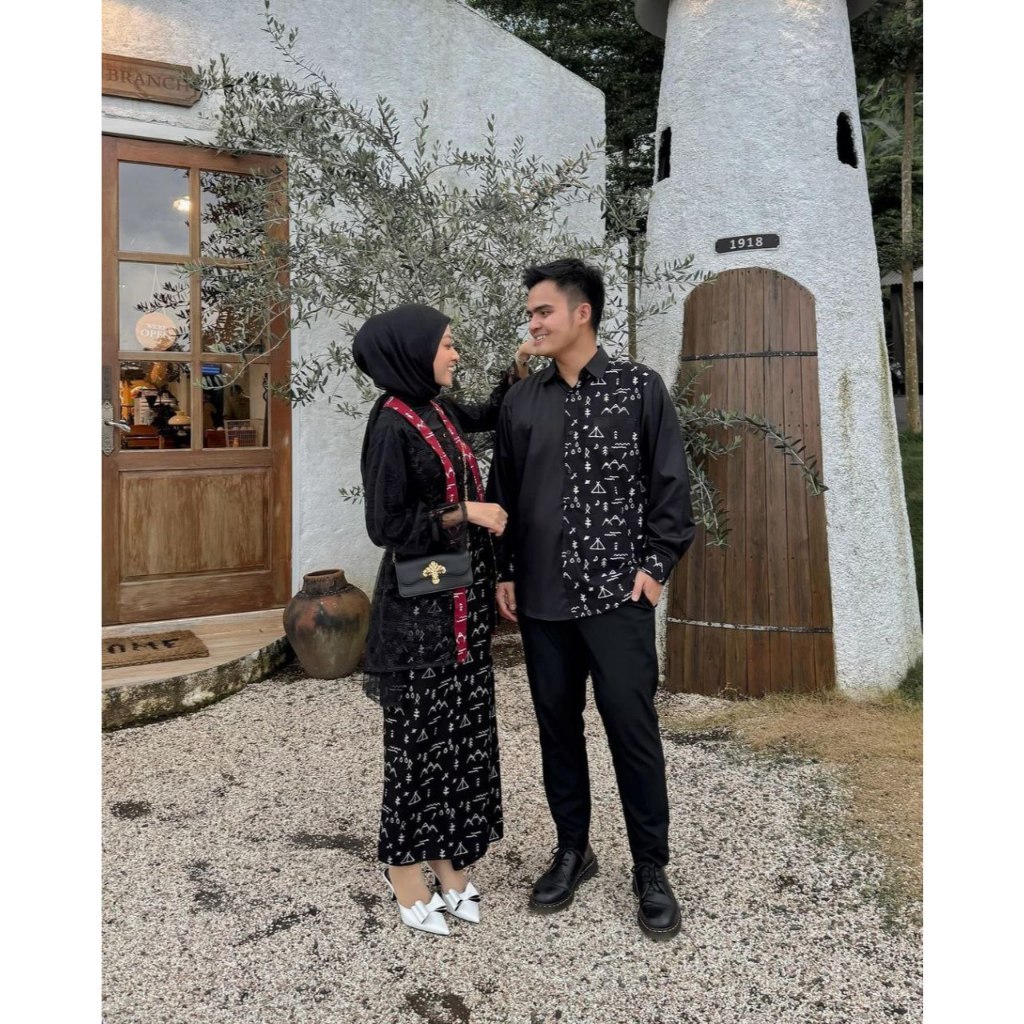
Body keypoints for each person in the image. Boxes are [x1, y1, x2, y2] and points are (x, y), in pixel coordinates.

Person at [489, 259, 695, 941]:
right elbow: (504, 492)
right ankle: (572, 851)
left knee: (632, 731)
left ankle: (651, 869)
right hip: (542, 600)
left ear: (582, 313)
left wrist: (655, 568)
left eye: (543, 311)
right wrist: (505, 571)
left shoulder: (640, 389)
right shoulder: (522, 401)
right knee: (557, 728)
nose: (533, 323)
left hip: (616, 597)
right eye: (530, 313)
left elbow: (670, 486)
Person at [353, 303, 530, 936]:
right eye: (447, 344)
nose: (455, 353)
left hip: (463, 608)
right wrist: (467, 512)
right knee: (418, 744)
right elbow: (386, 525)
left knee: (460, 738)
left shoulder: (437, 406)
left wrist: (516, 371)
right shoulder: (391, 423)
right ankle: (404, 866)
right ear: (412, 352)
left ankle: (449, 858)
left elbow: (485, 416)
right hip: (418, 620)